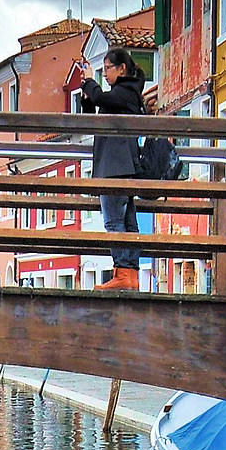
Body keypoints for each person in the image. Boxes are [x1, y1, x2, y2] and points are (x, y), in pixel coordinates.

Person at [76, 47, 150, 290]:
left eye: (107, 68)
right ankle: (130, 274)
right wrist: (87, 93)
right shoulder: (126, 93)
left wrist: (89, 82)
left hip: (114, 165)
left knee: (114, 221)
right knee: (127, 221)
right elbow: (94, 113)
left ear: (122, 68)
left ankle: (123, 272)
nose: (105, 73)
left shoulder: (125, 92)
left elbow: (101, 98)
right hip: (122, 163)